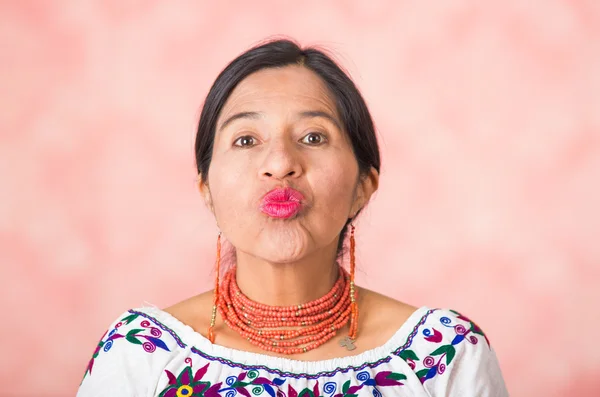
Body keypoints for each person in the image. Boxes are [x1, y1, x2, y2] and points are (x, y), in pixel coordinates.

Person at [77, 39, 508, 397]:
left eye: (313, 137)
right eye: (246, 139)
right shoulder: (141, 352)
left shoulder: (445, 354)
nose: (280, 162)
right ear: (206, 188)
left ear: (364, 183)